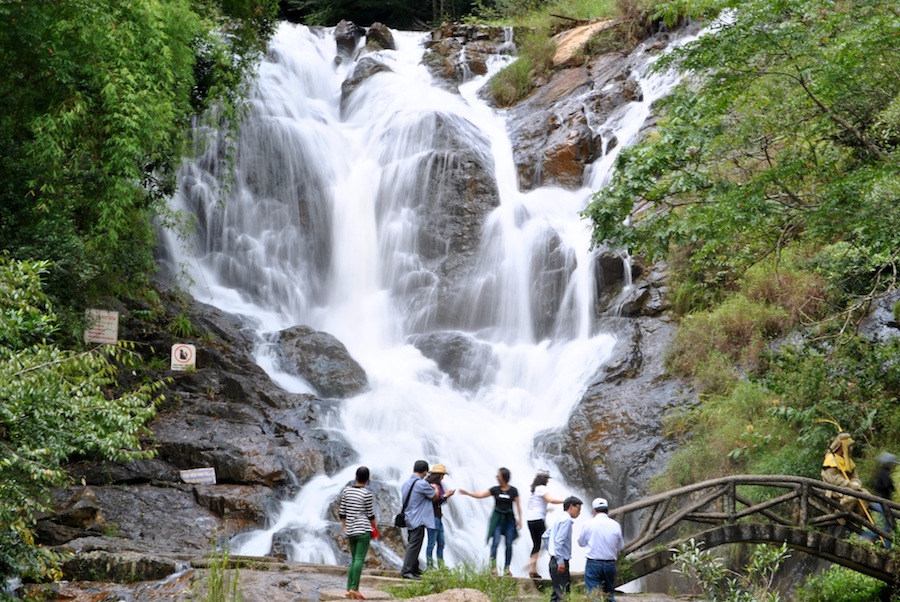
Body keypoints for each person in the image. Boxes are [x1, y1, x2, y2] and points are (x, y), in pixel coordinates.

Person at [459, 467, 523, 576]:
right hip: (497, 519)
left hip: (509, 520)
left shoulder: (513, 491)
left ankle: (507, 568)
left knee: (508, 544)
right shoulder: (495, 490)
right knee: (495, 543)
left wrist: (520, 519)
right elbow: (481, 495)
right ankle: (493, 567)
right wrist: (468, 493)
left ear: (504, 477)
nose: (497, 477)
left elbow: (518, 505)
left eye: (498, 476)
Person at [339, 466, 377, 600]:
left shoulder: (346, 491)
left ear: (355, 476)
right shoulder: (366, 494)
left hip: (351, 530)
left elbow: (342, 512)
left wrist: (344, 526)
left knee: (354, 559)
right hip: (363, 530)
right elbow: (370, 514)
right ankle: (354, 588)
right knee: (359, 560)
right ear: (367, 479)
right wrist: (374, 529)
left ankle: (349, 589)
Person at [578, 497, 625, 601]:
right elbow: (620, 546)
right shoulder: (615, 525)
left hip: (593, 563)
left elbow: (581, 543)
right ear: (607, 511)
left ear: (594, 511)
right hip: (610, 564)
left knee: (594, 594)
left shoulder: (588, 524)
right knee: (609, 593)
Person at [400, 460, 439, 580]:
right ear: (425, 471)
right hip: (417, 518)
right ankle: (407, 571)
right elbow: (434, 496)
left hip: (408, 516)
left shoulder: (406, 483)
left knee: (414, 543)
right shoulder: (421, 484)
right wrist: (435, 488)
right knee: (414, 544)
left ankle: (414, 568)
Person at [525, 468, 564, 578]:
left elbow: (534, 506)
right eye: (546, 479)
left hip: (530, 520)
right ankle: (531, 563)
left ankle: (533, 569)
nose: (548, 481)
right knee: (549, 540)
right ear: (543, 479)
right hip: (538, 520)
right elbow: (550, 500)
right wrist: (565, 501)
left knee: (537, 544)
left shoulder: (534, 490)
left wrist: (546, 510)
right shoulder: (542, 488)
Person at [821, 432, 870, 516]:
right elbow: (834, 479)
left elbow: (854, 476)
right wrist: (849, 484)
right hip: (835, 489)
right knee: (852, 496)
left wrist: (856, 483)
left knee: (866, 495)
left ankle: (859, 518)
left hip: (850, 487)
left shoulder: (848, 461)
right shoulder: (831, 460)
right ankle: (840, 514)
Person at [546, 496, 582, 602]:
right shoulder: (567, 520)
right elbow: (559, 541)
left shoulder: (559, 518)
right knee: (563, 594)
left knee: (556, 594)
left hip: (554, 560)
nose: (579, 513)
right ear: (571, 506)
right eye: (578, 509)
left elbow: (546, 535)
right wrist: (560, 561)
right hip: (560, 562)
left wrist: (552, 552)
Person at [425, 463, 456, 569]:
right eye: (442, 475)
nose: (443, 477)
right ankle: (430, 566)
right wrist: (445, 495)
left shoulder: (439, 485)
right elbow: (434, 499)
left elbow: (440, 500)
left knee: (441, 543)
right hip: (432, 517)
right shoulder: (430, 485)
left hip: (438, 516)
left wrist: (446, 496)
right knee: (431, 543)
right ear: (437, 475)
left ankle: (441, 565)